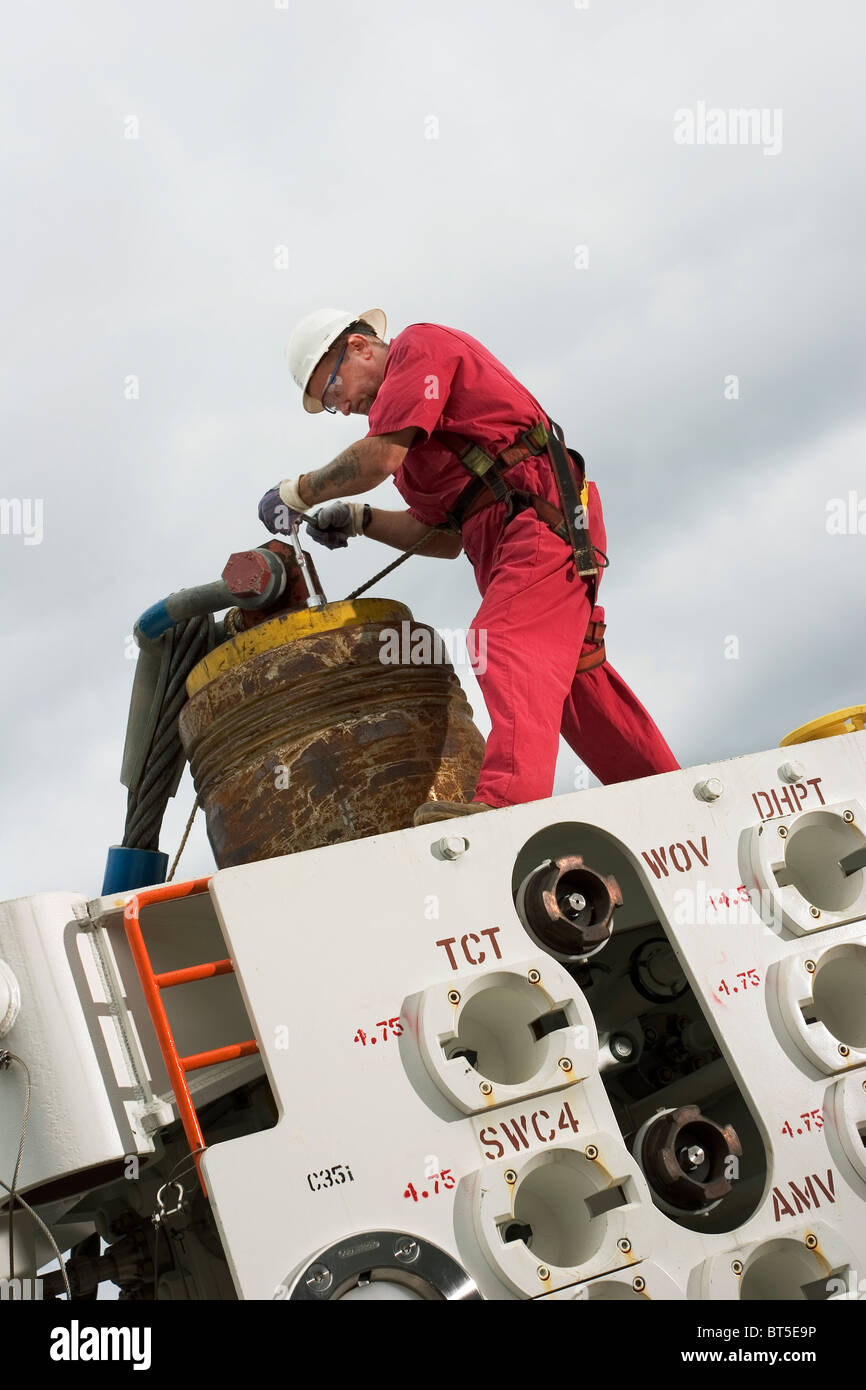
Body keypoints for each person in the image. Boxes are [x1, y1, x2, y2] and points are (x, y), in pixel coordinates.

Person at [259, 306, 679, 824]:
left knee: (503, 641)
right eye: (330, 404)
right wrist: (360, 518)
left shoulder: (420, 347)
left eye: (332, 389)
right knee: (576, 685)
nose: (342, 407)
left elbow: (377, 458)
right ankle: (673, 803)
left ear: (360, 347)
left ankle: (506, 809)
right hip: (513, 543)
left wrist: (297, 492)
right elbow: (440, 538)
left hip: (543, 518)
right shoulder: (409, 448)